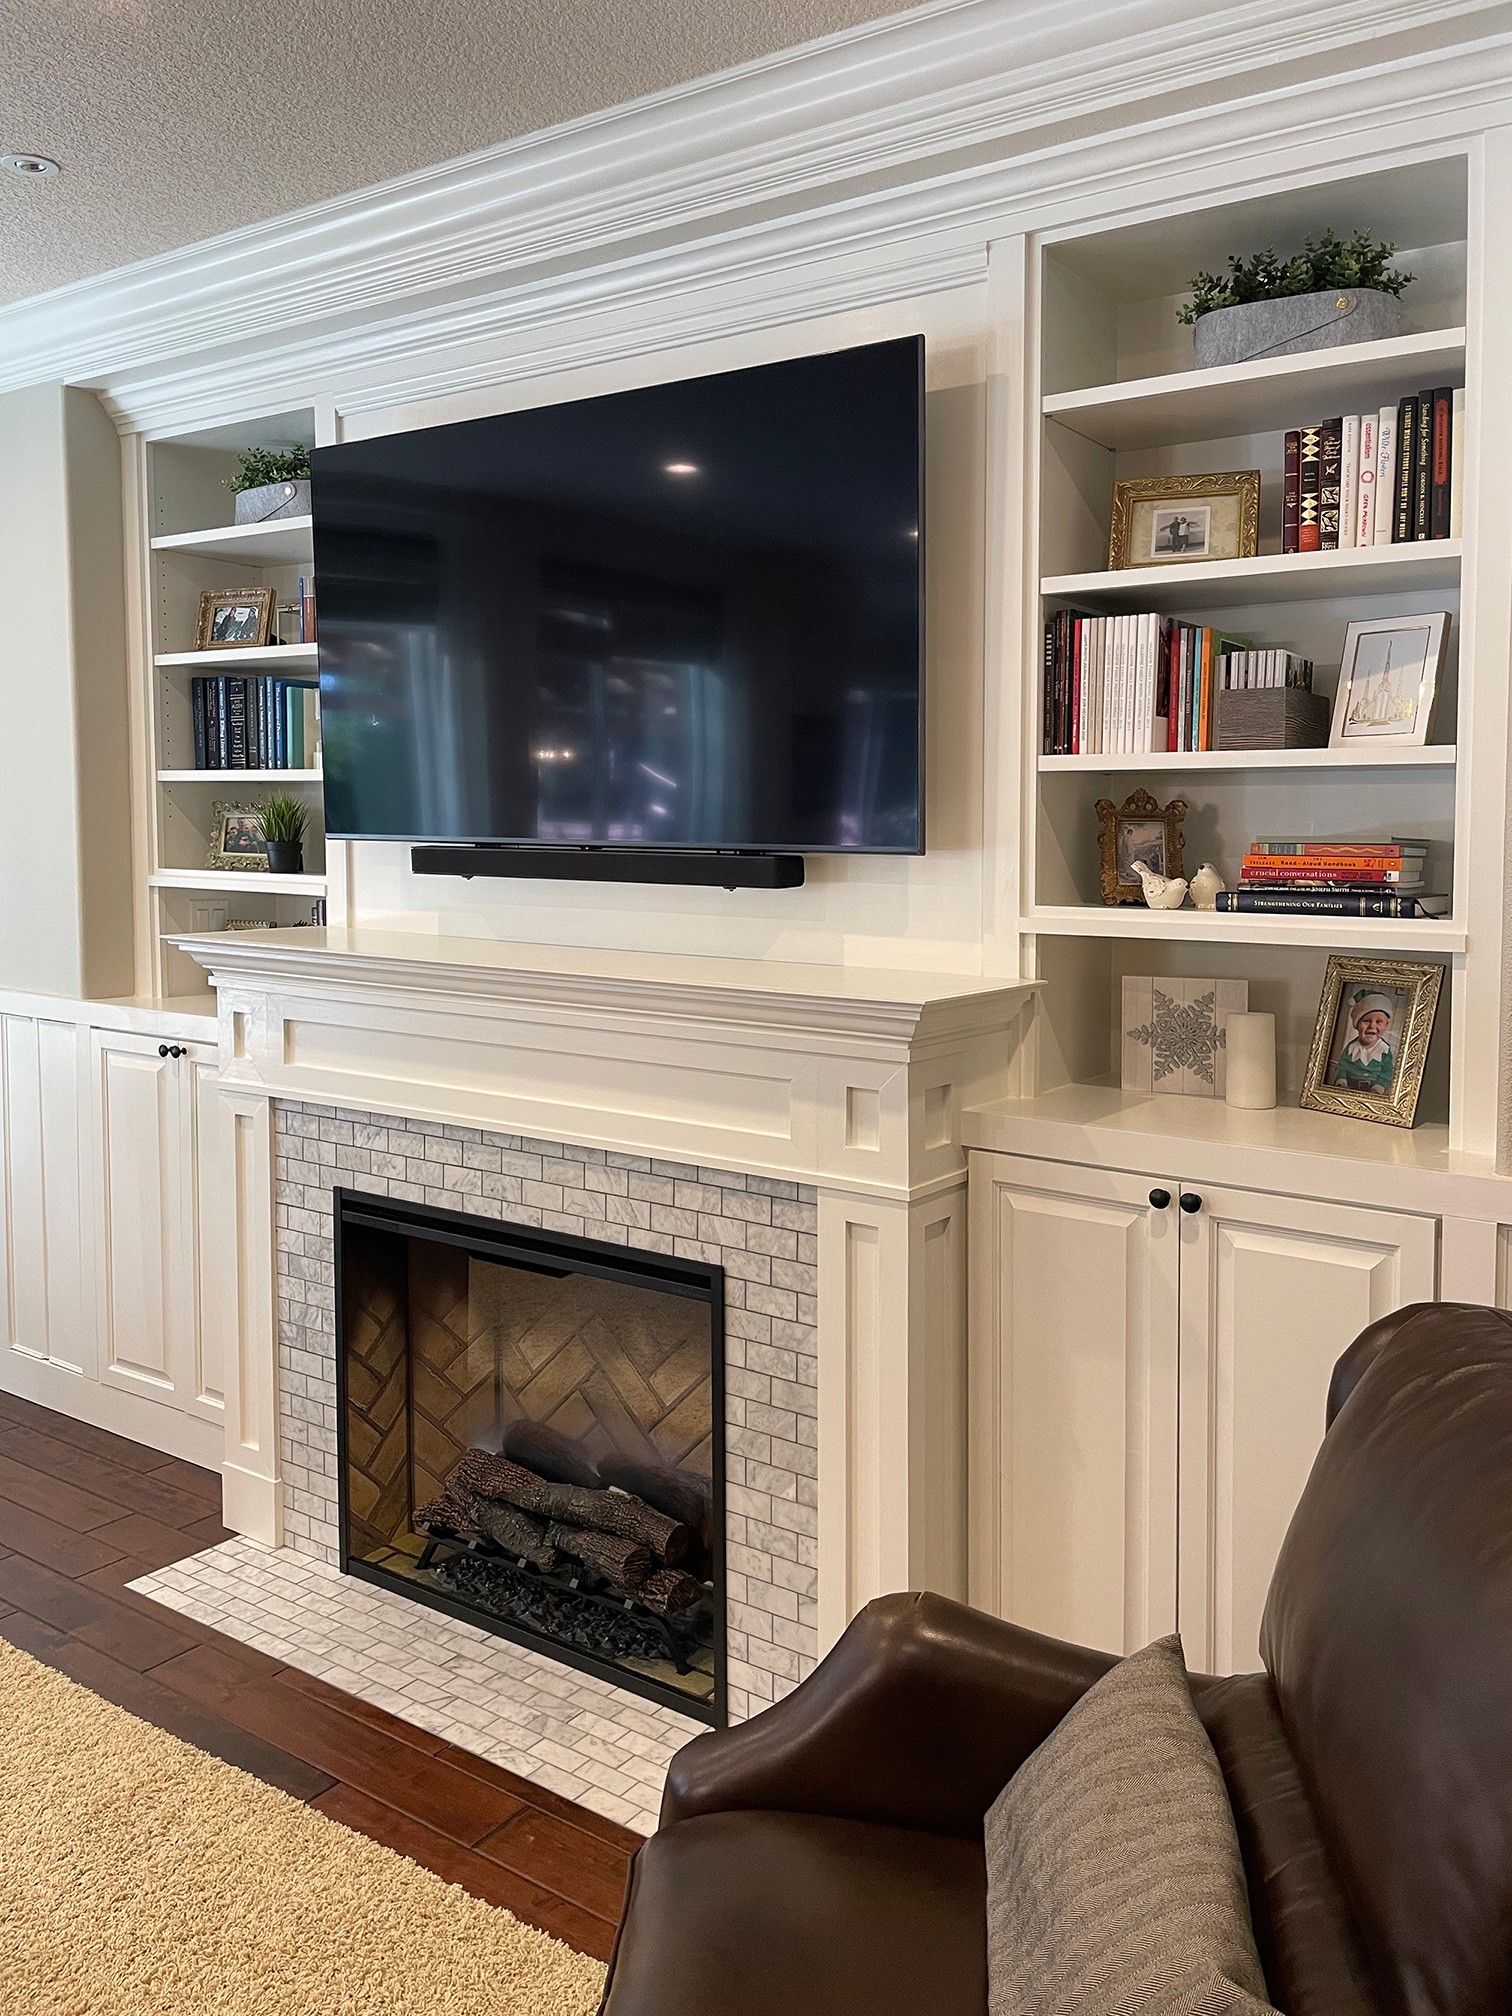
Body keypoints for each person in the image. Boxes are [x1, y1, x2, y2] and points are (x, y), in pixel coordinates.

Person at [1332, 988, 1396, 1094]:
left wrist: (1379, 1087)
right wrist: (1341, 1080)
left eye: (1378, 1022)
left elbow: (1387, 1071)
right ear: (1357, 1025)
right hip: (1349, 1089)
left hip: (1373, 1092)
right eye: (1366, 1021)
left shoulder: (1384, 1050)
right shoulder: (1351, 1047)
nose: (1372, 1026)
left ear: (1386, 1025)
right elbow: (1342, 1066)